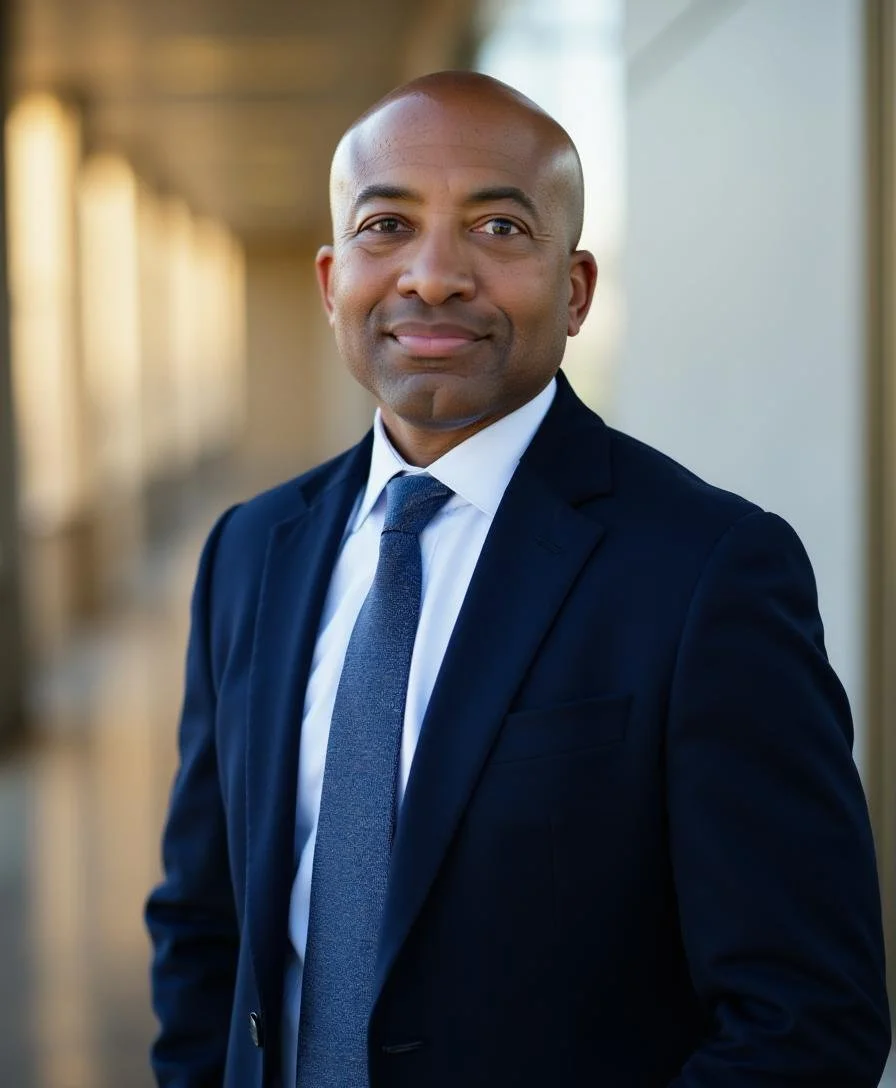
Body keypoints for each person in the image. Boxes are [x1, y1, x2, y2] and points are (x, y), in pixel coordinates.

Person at [145, 71, 891, 1088]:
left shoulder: (705, 571)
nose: (434, 275)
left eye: (497, 228)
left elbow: (807, 1015)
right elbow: (204, 921)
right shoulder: (251, 548)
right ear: (330, 282)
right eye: (386, 226)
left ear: (574, 289)